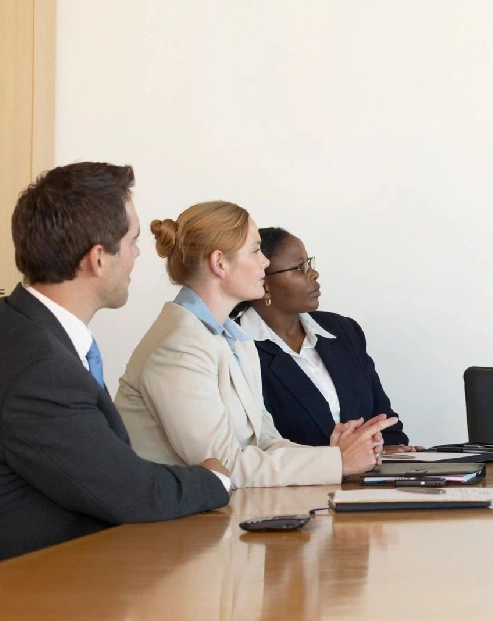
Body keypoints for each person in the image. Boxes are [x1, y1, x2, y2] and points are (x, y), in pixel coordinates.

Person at [0, 163, 230, 560]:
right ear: (98, 259)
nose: (138, 255)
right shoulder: (40, 369)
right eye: (132, 242)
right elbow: (129, 493)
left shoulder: (23, 327)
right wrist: (213, 478)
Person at [114, 201, 397, 488]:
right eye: (255, 250)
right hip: (169, 529)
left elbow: (266, 442)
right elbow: (222, 469)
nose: (264, 261)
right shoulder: (178, 346)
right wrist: (337, 462)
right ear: (219, 263)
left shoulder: (233, 340)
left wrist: (337, 456)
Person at [235, 227, 412, 448]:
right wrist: (338, 460)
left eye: (309, 263)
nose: (314, 274)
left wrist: (395, 451)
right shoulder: (236, 346)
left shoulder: (343, 330)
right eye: (300, 268)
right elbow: (255, 446)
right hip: (295, 481)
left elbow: (385, 420)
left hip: (371, 477)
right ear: (264, 281)